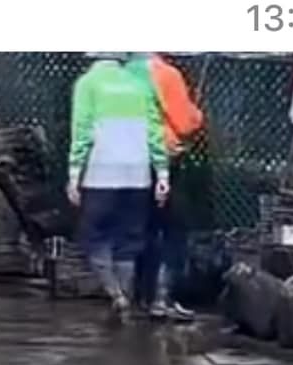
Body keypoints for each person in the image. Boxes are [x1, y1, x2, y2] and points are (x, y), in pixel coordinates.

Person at [67, 54, 169, 315]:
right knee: (129, 240)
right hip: (138, 176)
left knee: (95, 237)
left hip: (101, 175)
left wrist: (74, 175)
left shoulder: (88, 84)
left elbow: (82, 132)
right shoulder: (139, 85)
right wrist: (162, 174)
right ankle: (127, 296)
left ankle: (115, 294)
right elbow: (155, 131)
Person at [136, 53, 205, 321]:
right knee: (174, 228)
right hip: (161, 159)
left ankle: (140, 297)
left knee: (144, 227)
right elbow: (185, 122)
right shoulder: (167, 74)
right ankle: (163, 299)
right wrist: (196, 114)